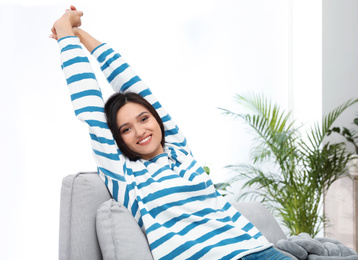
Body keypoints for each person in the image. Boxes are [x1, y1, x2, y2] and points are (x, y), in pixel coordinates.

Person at [50, 6, 291, 260]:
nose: (140, 130)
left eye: (144, 118)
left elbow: (132, 82)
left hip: (261, 250)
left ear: (157, 119)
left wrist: (82, 34)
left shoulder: (180, 152)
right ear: (117, 139)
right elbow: (89, 107)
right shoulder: (126, 176)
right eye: (126, 129)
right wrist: (66, 32)